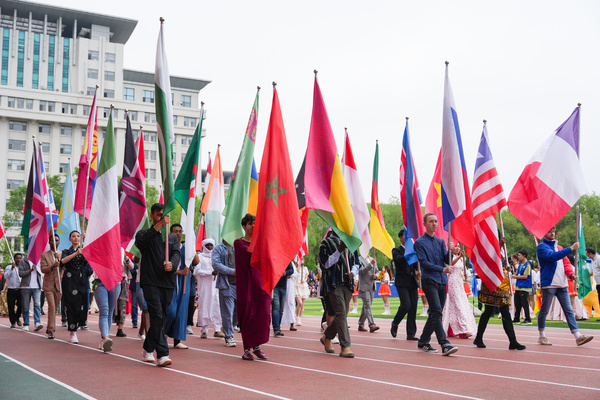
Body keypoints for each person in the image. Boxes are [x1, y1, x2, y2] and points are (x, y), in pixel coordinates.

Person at [135, 203, 181, 367]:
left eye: (164, 215)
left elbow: (177, 253)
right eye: (159, 215)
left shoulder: (172, 238)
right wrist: (159, 226)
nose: (162, 217)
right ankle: (163, 354)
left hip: (167, 282)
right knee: (157, 315)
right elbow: (140, 243)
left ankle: (148, 348)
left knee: (161, 316)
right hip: (150, 282)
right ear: (153, 216)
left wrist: (172, 265)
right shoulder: (145, 234)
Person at [536, 227, 593, 346]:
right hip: (549, 284)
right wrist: (571, 249)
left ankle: (578, 336)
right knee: (544, 311)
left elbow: (566, 263)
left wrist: (571, 274)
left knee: (569, 311)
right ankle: (542, 335)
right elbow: (552, 257)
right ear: (544, 233)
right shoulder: (541, 247)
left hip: (562, 284)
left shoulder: (560, 248)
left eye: (553, 231)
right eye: (549, 231)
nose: (552, 233)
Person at [413, 213, 458, 356]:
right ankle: (444, 344)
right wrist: (442, 269)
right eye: (431, 221)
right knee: (437, 312)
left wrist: (452, 251)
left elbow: (446, 259)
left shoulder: (440, 241)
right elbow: (424, 263)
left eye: (436, 221)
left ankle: (423, 340)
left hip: (442, 280)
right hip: (429, 280)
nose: (434, 224)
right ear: (424, 224)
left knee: (434, 313)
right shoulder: (419, 243)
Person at [474, 236, 526, 350]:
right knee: (488, 311)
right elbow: (489, 258)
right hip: (492, 283)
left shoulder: (502, 250)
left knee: (505, 312)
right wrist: (499, 245)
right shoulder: (490, 247)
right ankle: (479, 338)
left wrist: (506, 268)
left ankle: (512, 340)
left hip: (502, 284)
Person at [235, 214, 270, 361]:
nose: (253, 226)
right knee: (248, 313)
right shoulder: (239, 243)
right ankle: (246, 349)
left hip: (260, 282)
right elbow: (250, 257)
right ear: (244, 226)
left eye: (255, 223)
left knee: (264, 313)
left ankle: (257, 346)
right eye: (250, 224)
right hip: (246, 283)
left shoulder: (260, 243)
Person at [319, 232, 359, 358]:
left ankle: (327, 336)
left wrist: (353, 272)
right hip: (333, 283)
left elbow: (356, 263)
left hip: (348, 284)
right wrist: (339, 250)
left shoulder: (351, 241)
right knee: (341, 311)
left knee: (343, 312)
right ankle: (345, 346)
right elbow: (324, 264)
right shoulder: (325, 243)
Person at [164, 223, 198, 350]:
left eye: (180, 231)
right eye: (175, 231)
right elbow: (164, 267)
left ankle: (177, 340)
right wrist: (179, 272)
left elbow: (196, 261)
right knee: (171, 311)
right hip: (170, 283)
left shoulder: (186, 248)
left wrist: (191, 246)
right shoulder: (166, 249)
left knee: (181, 312)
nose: (178, 233)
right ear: (170, 233)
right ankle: (164, 333)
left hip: (184, 284)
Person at [60, 230, 92, 343]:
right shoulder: (66, 251)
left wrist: (85, 242)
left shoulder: (85, 250)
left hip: (82, 280)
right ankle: (72, 331)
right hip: (69, 281)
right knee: (71, 305)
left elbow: (91, 259)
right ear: (70, 239)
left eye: (78, 236)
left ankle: (81, 324)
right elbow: (62, 261)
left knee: (82, 304)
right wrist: (76, 253)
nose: (76, 238)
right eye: (73, 236)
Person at [442, 246, 476, 339]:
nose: (457, 248)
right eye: (455, 246)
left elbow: (462, 270)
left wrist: (465, 274)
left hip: (459, 282)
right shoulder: (450, 256)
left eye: (458, 246)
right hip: (452, 281)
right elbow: (450, 264)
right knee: (458, 304)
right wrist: (459, 257)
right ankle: (464, 329)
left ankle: (452, 329)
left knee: (455, 305)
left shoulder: (461, 258)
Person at [391, 230, 419, 340]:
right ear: (400, 238)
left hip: (412, 281)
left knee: (413, 307)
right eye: (405, 237)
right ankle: (395, 323)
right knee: (406, 305)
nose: (408, 239)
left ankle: (411, 333)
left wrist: (418, 270)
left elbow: (416, 265)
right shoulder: (396, 250)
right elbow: (398, 260)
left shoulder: (413, 251)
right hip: (401, 282)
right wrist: (409, 253)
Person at [194, 238, 224, 339]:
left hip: (216, 286)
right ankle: (204, 330)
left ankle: (217, 329)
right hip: (205, 286)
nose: (209, 247)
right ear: (203, 246)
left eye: (211, 245)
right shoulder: (199, 257)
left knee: (217, 306)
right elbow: (196, 271)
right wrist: (210, 273)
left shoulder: (216, 257)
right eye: (207, 245)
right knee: (205, 306)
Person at [212, 237, 238, 347]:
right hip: (226, 285)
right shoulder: (218, 248)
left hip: (241, 285)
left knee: (238, 313)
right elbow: (216, 264)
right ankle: (229, 336)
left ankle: (227, 327)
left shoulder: (239, 246)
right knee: (228, 311)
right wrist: (232, 272)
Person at [40, 234, 62, 339]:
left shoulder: (62, 254)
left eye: (57, 240)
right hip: (48, 285)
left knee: (56, 308)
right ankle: (52, 331)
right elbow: (43, 269)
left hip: (59, 285)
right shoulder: (44, 255)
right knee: (52, 307)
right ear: (49, 242)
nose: (55, 242)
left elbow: (65, 268)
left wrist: (60, 262)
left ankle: (49, 327)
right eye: (53, 240)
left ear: (59, 242)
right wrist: (52, 266)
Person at [18, 255, 43, 333]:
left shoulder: (39, 261)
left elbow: (43, 271)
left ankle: (37, 322)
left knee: (37, 305)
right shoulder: (23, 261)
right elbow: (20, 273)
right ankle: (26, 324)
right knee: (25, 306)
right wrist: (30, 270)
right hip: (25, 287)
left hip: (37, 287)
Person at [357, 255, 380, 332]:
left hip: (372, 286)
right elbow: (361, 271)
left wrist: (376, 276)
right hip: (363, 286)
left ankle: (361, 324)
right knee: (367, 305)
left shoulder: (372, 259)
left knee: (366, 306)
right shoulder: (359, 259)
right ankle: (371, 325)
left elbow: (377, 271)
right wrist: (370, 264)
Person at [271, 262, 294, 337]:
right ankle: (276, 329)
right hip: (275, 286)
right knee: (276, 307)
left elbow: (292, 270)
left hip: (283, 287)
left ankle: (278, 328)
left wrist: (285, 273)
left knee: (281, 309)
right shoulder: (274, 258)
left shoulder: (287, 259)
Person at [115, 255, 134, 338]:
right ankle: (106, 328)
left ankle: (120, 328)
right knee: (112, 304)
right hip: (114, 281)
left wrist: (126, 258)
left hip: (123, 282)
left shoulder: (124, 255)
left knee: (122, 305)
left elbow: (132, 267)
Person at [513, 249, 532, 324]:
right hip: (519, 286)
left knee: (524, 304)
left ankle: (528, 319)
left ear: (524, 256)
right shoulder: (520, 265)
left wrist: (515, 277)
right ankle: (516, 318)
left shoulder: (527, 265)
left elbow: (525, 276)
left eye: (519, 255)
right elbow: (518, 274)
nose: (518, 257)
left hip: (525, 287)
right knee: (517, 303)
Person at [4, 253, 23, 328]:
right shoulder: (9, 267)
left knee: (21, 305)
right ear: (14, 259)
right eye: (17, 258)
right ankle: (13, 322)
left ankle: (17, 317)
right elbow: (6, 276)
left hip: (20, 289)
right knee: (11, 306)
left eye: (20, 258)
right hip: (11, 290)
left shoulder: (22, 267)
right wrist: (12, 268)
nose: (18, 260)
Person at [280, 261, 298, 331]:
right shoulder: (280, 260)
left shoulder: (291, 262)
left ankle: (292, 324)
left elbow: (295, 273)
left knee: (291, 303)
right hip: (281, 284)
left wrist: (287, 274)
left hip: (289, 285)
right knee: (281, 304)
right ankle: (277, 325)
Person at [294, 257, 310, 326]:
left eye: (303, 259)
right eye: (301, 259)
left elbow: (306, 276)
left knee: (302, 304)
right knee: (299, 303)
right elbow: (297, 272)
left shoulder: (305, 268)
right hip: (297, 286)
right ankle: (297, 318)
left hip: (303, 286)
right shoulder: (296, 268)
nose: (302, 260)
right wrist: (299, 263)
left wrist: (305, 280)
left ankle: (300, 318)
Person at [586, 248, 600, 321]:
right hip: (598, 283)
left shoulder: (598, 259)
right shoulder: (593, 260)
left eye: (587, 254)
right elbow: (595, 271)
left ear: (590, 253)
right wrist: (588, 274)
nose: (587, 256)